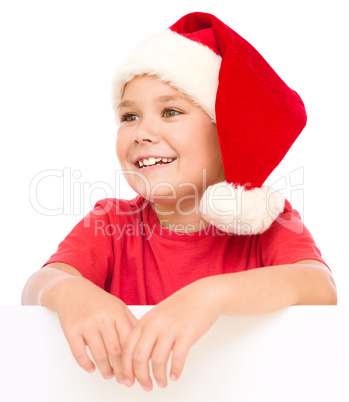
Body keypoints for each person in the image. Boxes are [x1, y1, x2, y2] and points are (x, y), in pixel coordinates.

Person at [21, 12, 337, 392]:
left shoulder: (269, 224)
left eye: (170, 111)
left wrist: (211, 296)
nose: (142, 132)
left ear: (226, 132)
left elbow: (320, 287)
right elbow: (38, 284)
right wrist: (70, 292)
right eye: (129, 116)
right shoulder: (111, 223)